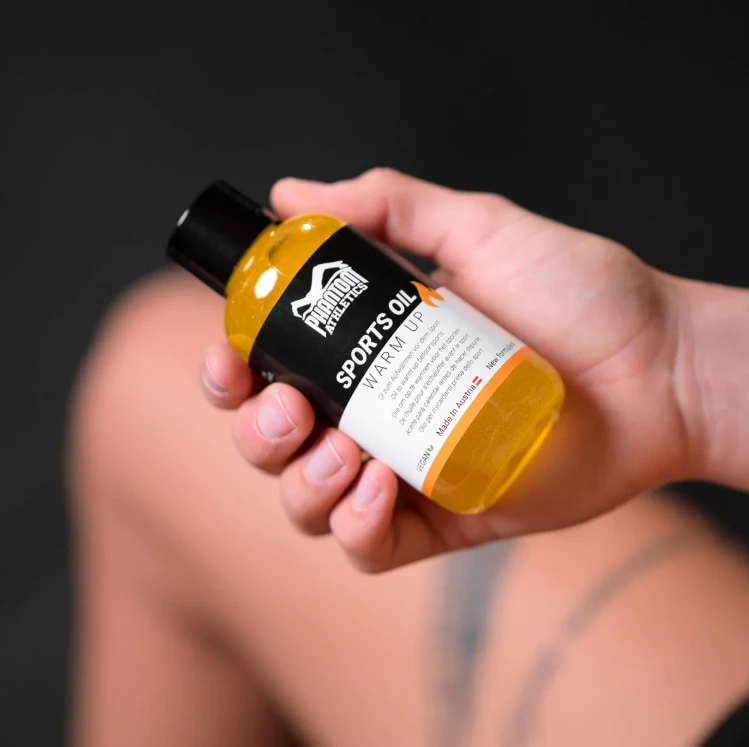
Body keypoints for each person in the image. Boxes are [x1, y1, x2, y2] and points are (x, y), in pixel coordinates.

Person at [66, 169, 749, 746]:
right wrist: (675, 366)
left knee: (141, 370)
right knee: (148, 353)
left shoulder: (305, 244)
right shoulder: (260, 301)